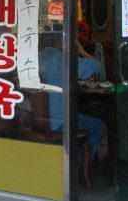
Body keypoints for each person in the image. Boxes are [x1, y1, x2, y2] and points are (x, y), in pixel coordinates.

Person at [39, 26, 107, 166]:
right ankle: (79, 163)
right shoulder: (63, 59)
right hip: (59, 121)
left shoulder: (37, 58)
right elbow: (97, 66)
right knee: (99, 126)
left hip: (37, 119)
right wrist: (81, 50)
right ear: (59, 42)